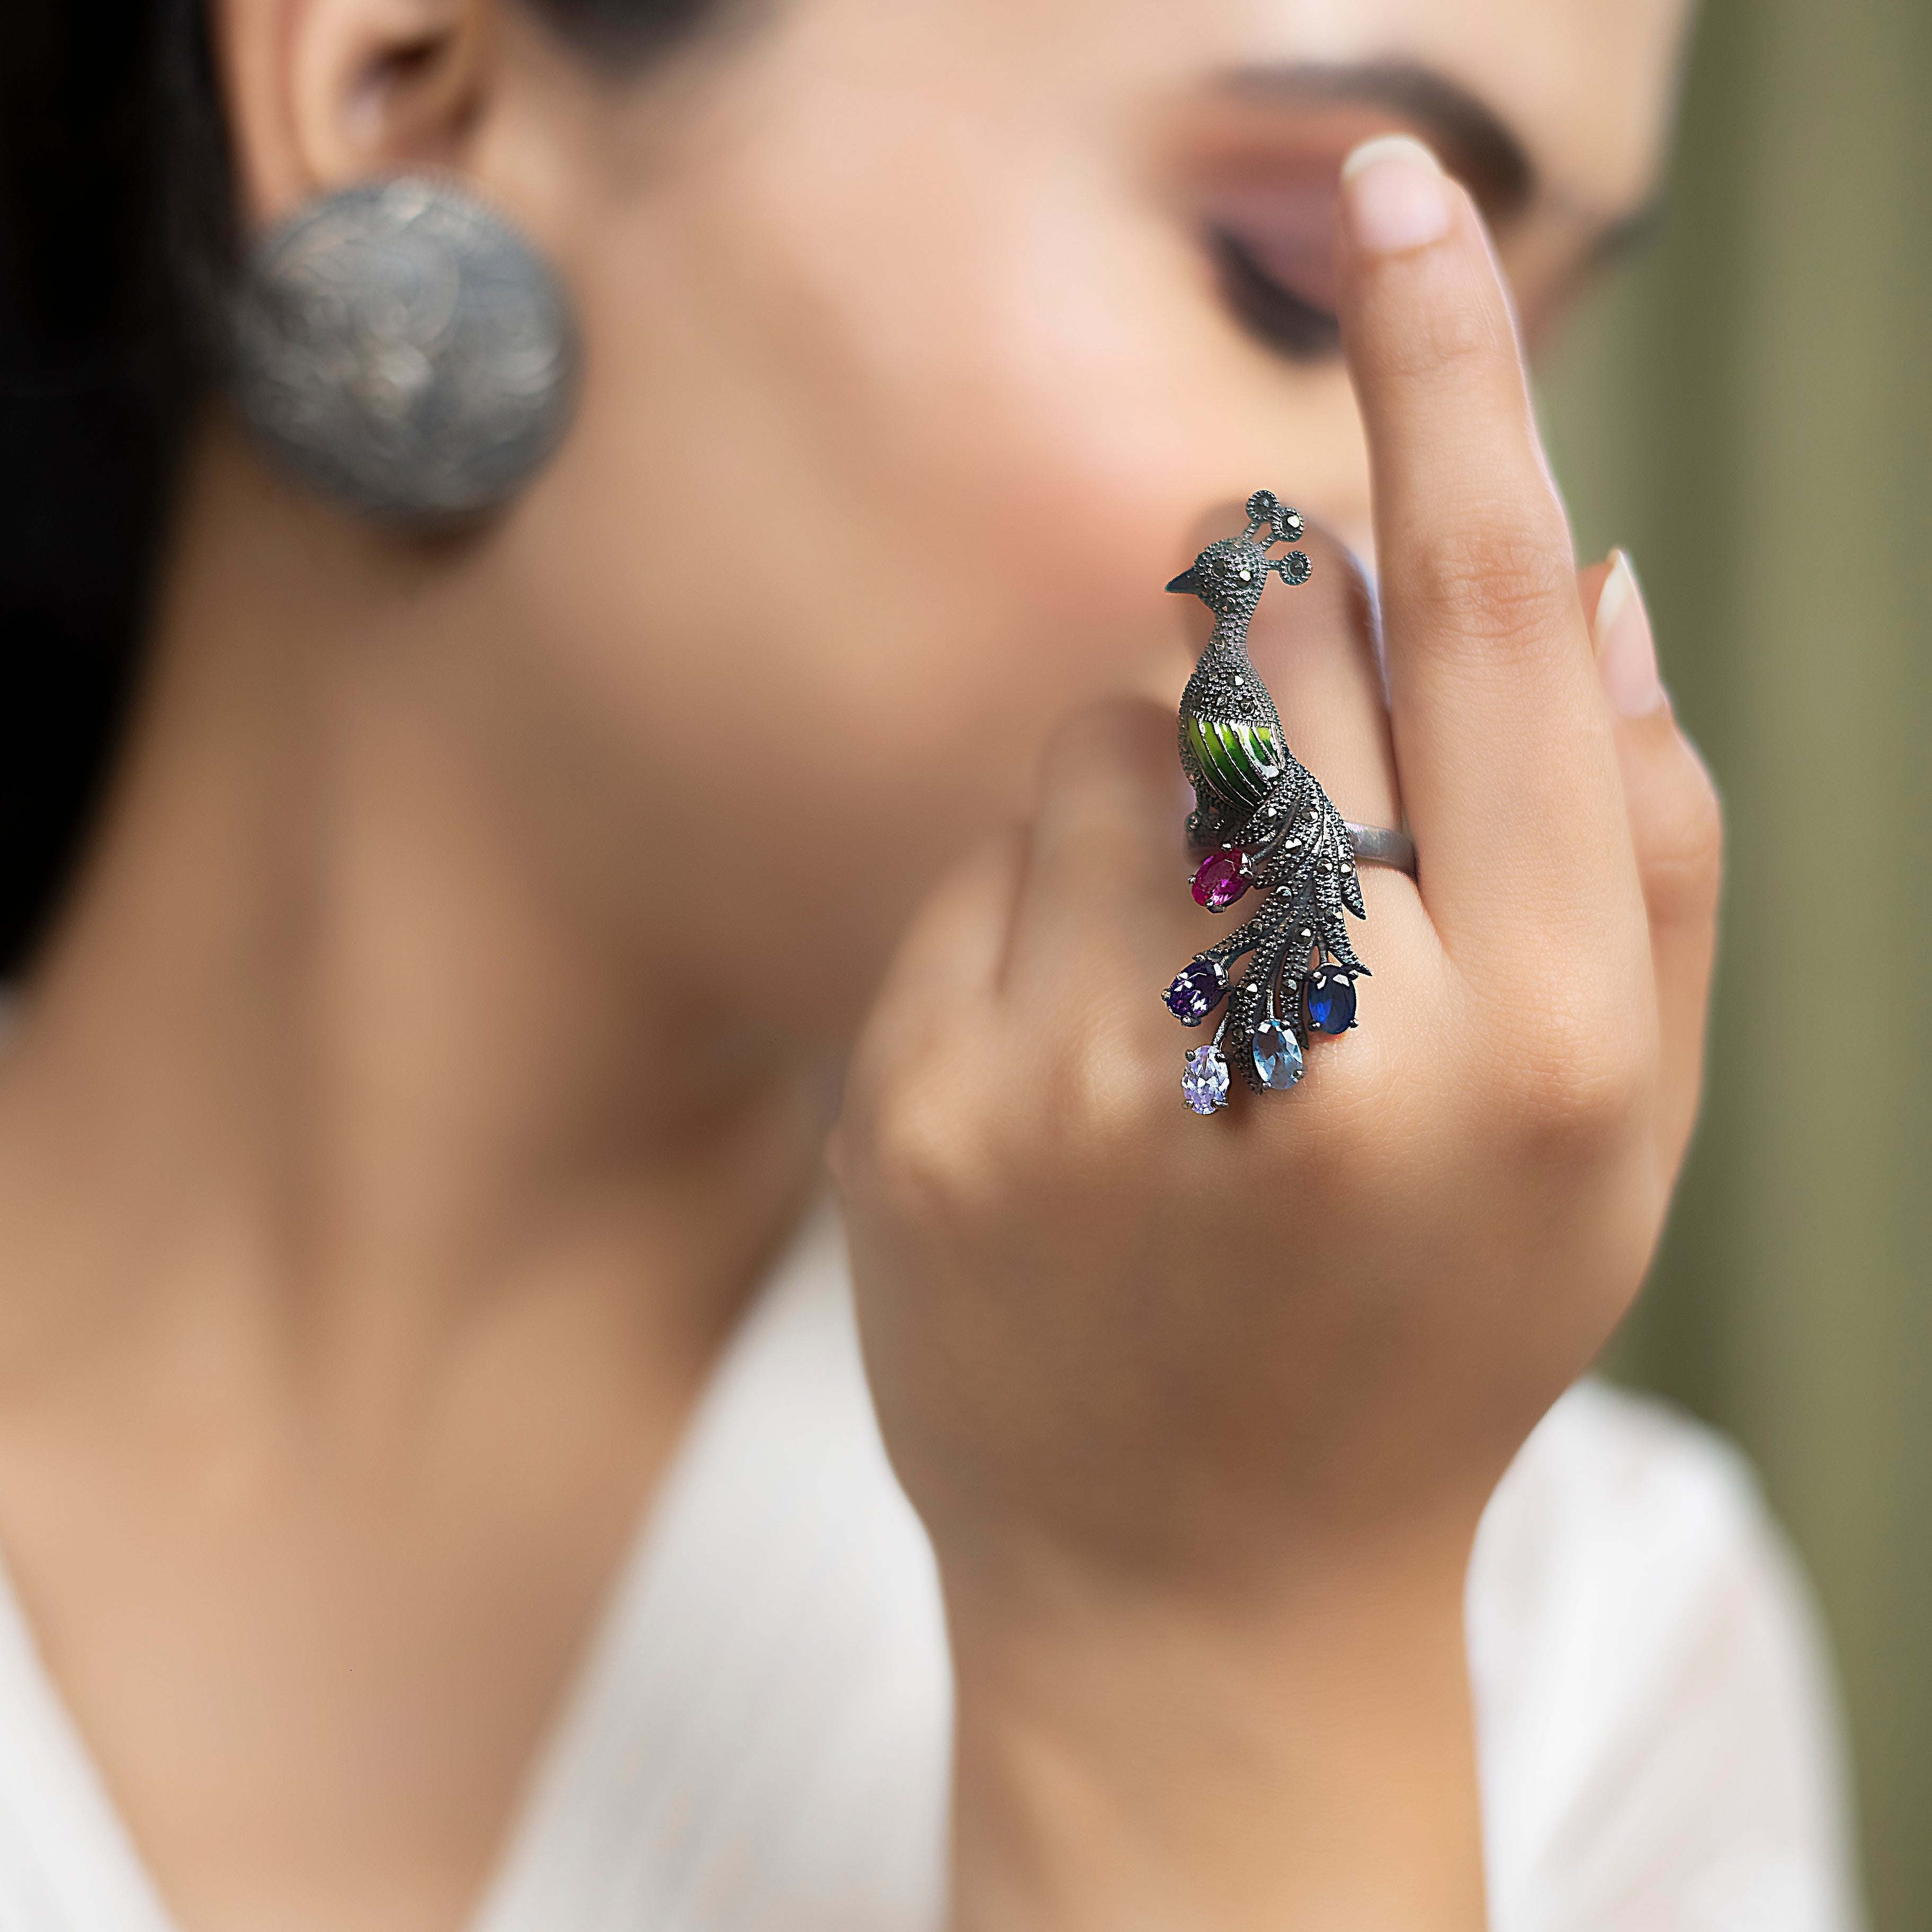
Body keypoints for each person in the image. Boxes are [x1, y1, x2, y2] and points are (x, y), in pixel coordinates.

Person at [0, 0, 1864, 1928]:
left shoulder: (1579, 1656)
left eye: (1521, 354)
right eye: (1298, 283)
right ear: (409, 90)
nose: (1441, 574)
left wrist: (1217, 1671)